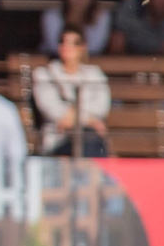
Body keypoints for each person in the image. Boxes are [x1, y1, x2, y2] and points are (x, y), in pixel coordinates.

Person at [32, 26, 110, 156]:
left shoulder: (94, 74)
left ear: (83, 47)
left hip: (90, 137)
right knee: (89, 141)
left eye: (74, 43)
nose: (67, 47)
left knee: (90, 139)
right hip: (58, 140)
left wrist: (73, 117)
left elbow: (101, 108)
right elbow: (53, 111)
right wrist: (90, 120)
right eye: (63, 41)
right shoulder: (44, 74)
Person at [38, 0, 112, 58]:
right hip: (54, 63)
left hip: (89, 64)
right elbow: (54, 47)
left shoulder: (102, 16)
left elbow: (95, 48)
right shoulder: (52, 15)